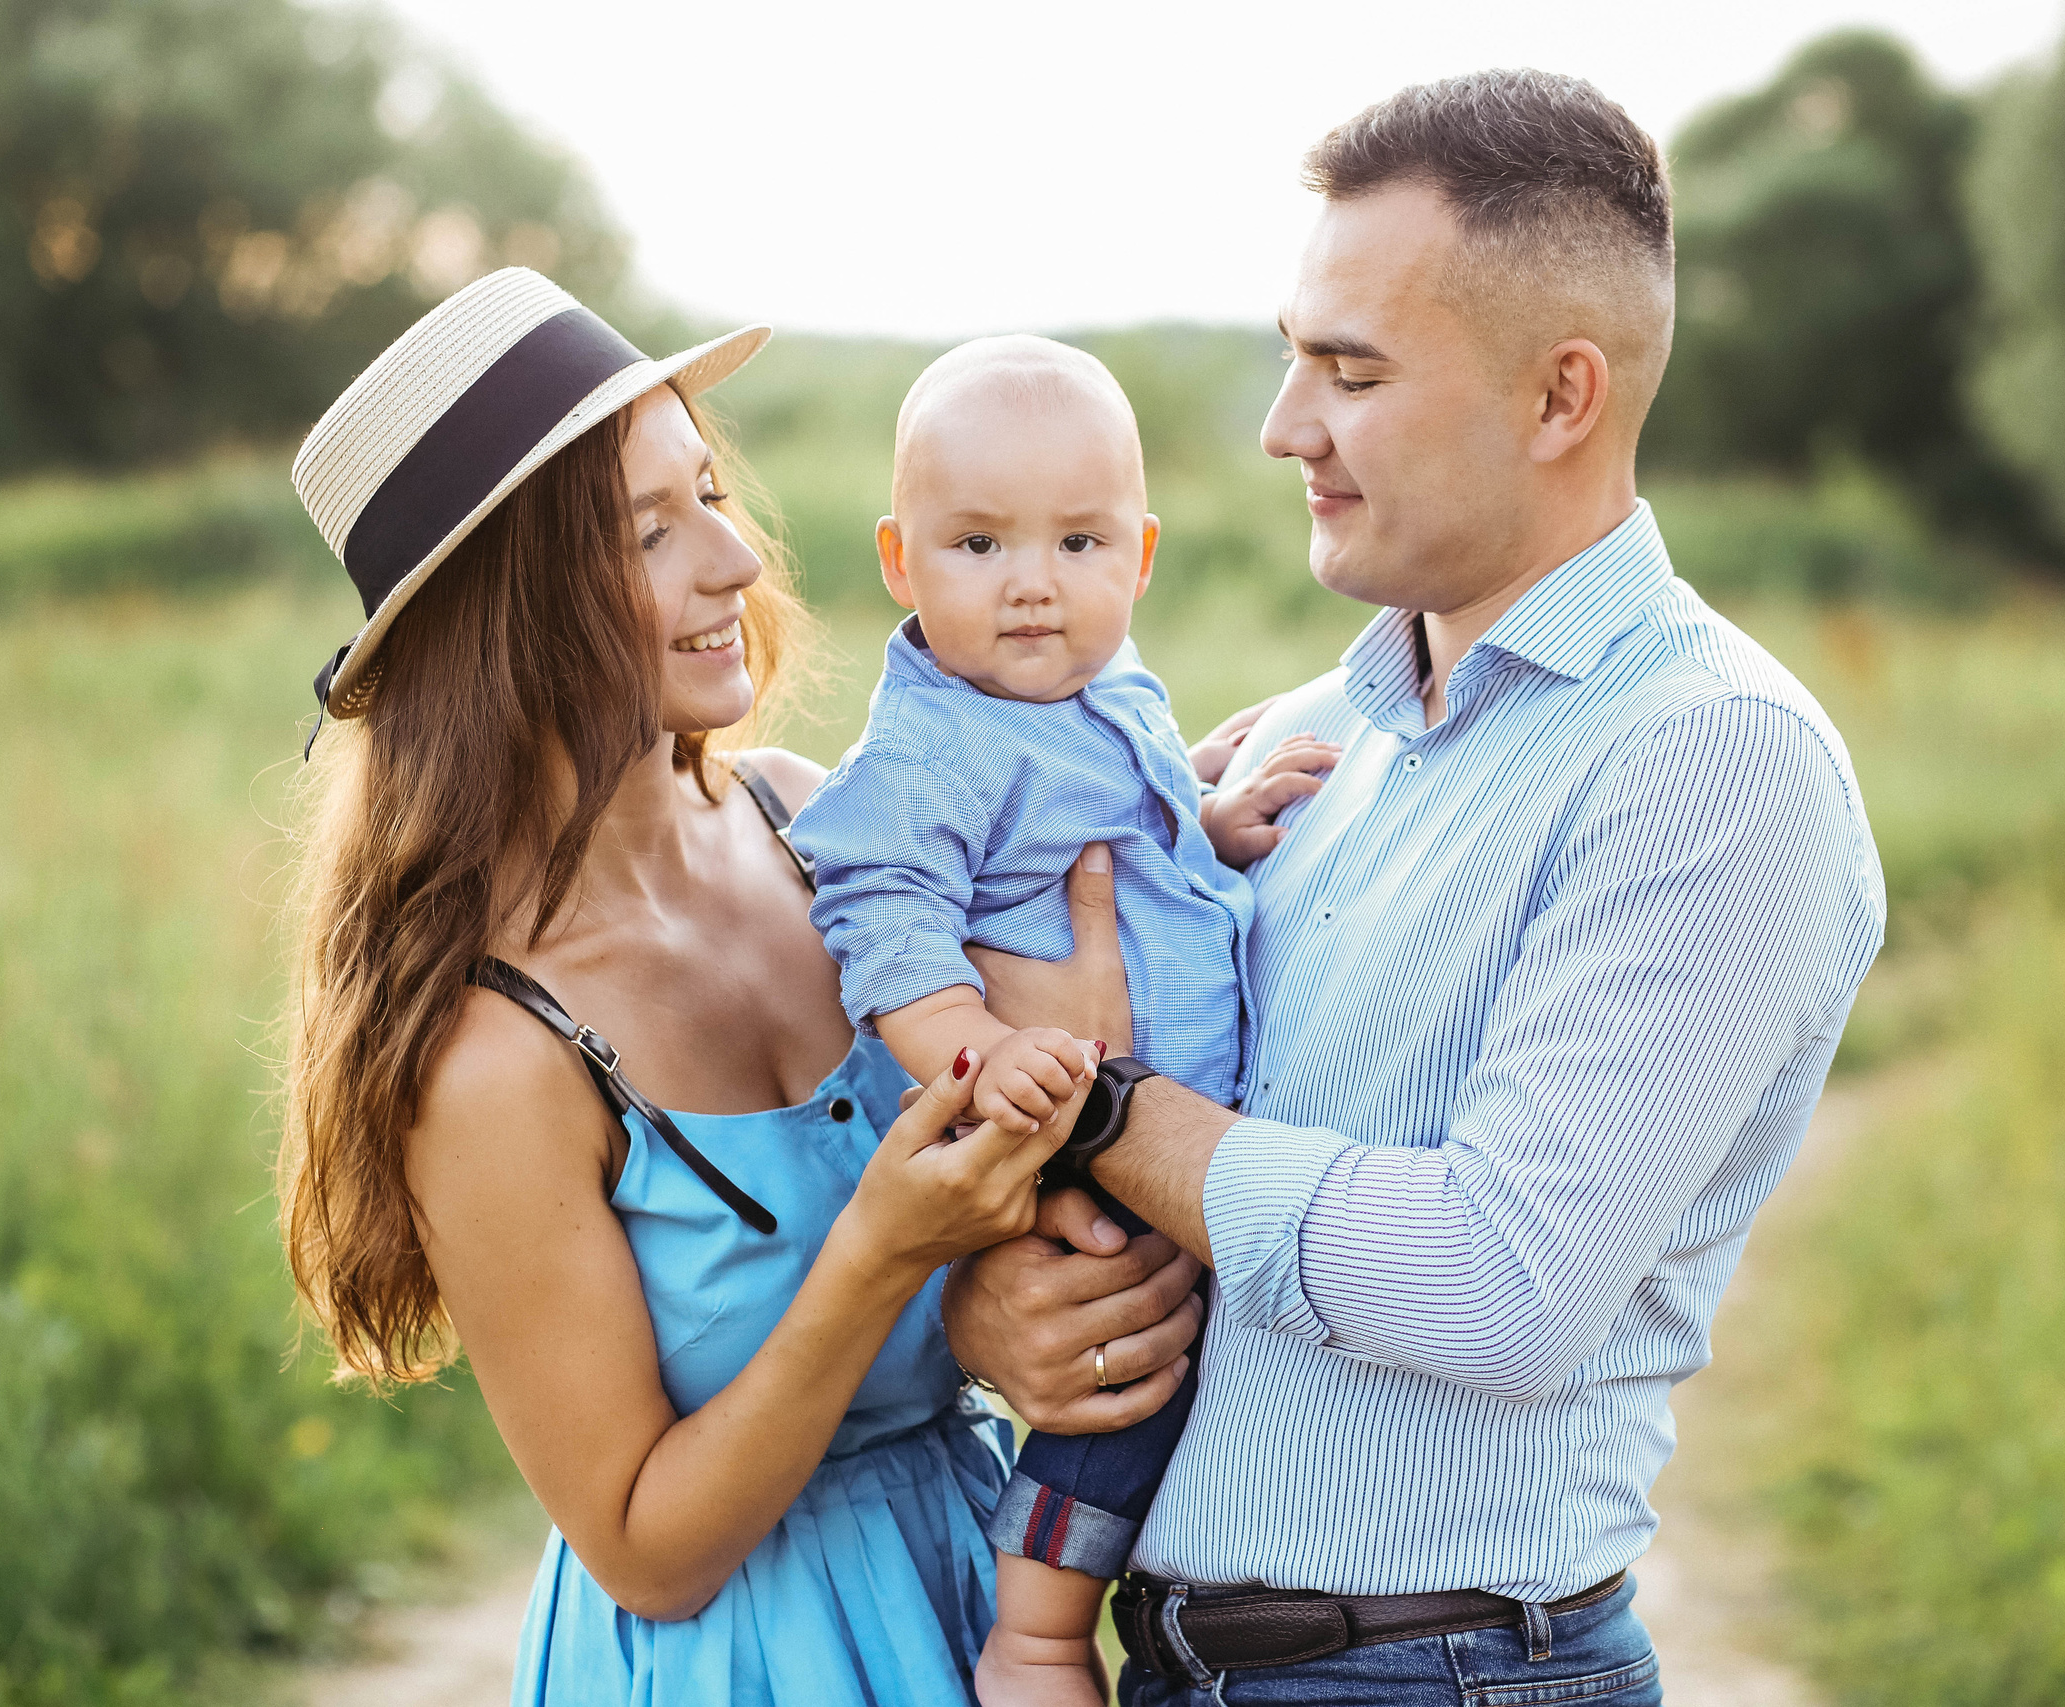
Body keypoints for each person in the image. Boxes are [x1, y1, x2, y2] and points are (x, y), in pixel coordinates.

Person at [941, 70, 1888, 1703]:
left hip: (1437, 1674)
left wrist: (1096, 1103)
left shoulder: (1714, 761)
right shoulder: (1308, 740)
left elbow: (1497, 1282)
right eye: (1295, 357)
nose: (1283, 426)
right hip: (1162, 1661)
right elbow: (1146, 1221)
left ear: (1560, 397)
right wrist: (995, 1312)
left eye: (1352, 372)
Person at [275, 268, 1199, 1705]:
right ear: (507, 615)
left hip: (970, 1593)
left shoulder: (806, 827)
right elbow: (647, 1547)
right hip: (744, 1660)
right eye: (653, 532)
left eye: (707, 492)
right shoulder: (495, 1051)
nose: (735, 562)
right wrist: (887, 1253)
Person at [788, 335, 1333, 1705]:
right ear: (901, 563)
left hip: (1168, 1127)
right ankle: (1034, 1634)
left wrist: (1205, 828)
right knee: (1117, 1370)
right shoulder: (929, 751)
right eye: (976, 543)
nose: (1033, 582)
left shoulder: (1110, 686)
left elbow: (1120, 848)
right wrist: (988, 1050)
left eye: (1078, 542)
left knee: (1177, 1362)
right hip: (1061, 1138)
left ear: (1138, 557)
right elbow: (886, 936)